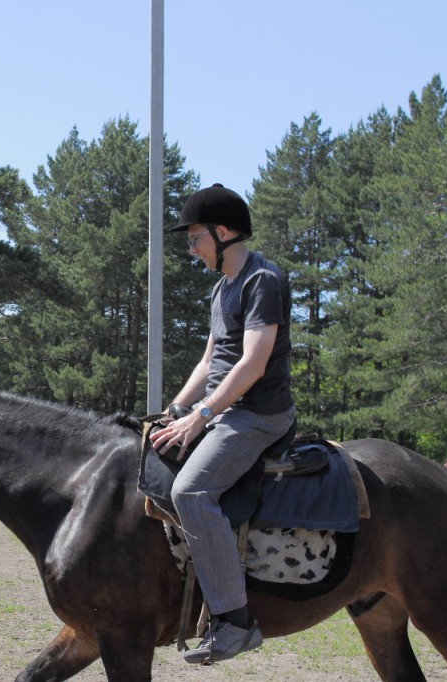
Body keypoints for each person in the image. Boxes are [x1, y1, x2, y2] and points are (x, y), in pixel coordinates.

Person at [149, 183, 294, 665]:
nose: (192, 249)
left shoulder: (262, 281)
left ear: (223, 232)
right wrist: (175, 409)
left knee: (189, 491)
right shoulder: (221, 288)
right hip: (224, 408)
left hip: (258, 415)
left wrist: (202, 416)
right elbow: (210, 361)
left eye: (195, 239)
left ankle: (234, 621)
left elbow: (252, 365)